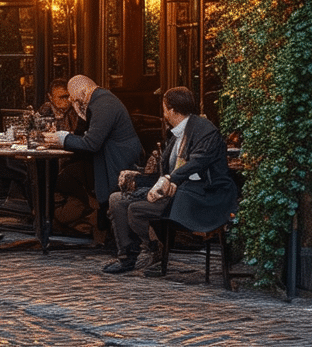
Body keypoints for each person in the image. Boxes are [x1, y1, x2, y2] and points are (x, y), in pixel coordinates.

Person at [103, 86, 237, 275]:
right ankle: (127, 257)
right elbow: (165, 171)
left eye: (164, 108)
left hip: (201, 196)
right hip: (177, 191)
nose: (164, 113)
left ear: (171, 110)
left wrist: (169, 179)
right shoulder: (177, 133)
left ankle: (154, 249)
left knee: (136, 209)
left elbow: (197, 162)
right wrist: (136, 175)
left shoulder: (205, 130)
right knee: (117, 199)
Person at [44, 74, 142, 238]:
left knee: (115, 200)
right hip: (112, 158)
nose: (74, 104)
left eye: (75, 100)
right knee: (71, 176)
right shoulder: (101, 102)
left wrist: (63, 138)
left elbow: (91, 142)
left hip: (118, 160)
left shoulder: (103, 104)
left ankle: (120, 240)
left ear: (83, 94)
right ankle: (106, 230)